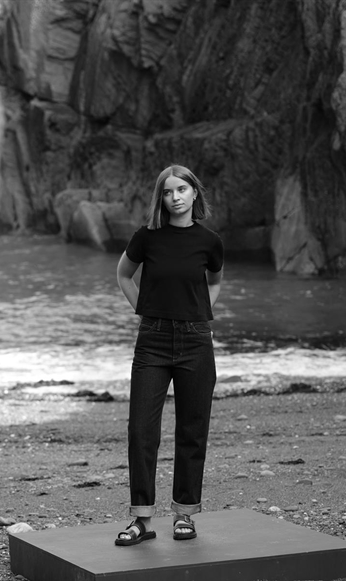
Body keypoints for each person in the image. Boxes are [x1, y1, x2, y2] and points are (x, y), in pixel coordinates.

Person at [114, 164, 224, 546]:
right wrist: (144, 310)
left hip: (196, 342)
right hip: (153, 341)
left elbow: (214, 282)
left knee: (192, 430)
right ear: (160, 198)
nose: (175, 197)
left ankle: (184, 515)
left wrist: (200, 315)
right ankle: (142, 520)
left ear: (194, 193)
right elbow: (123, 275)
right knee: (141, 431)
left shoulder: (209, 241)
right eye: (167, 191)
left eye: (181, 189)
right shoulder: (146, 237)